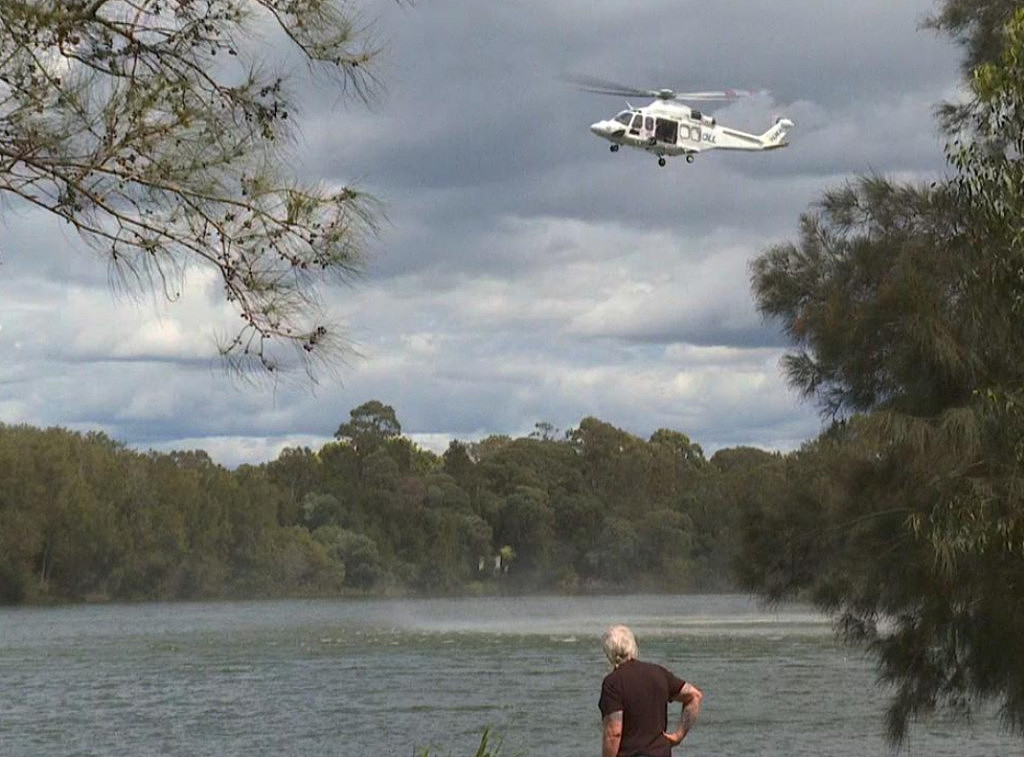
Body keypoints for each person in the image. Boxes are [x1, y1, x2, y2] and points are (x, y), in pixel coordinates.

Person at [598, 624, 703, 757]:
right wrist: (679, 735)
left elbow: (614, 732)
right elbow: (694, 696)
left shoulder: (613, 682)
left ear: (609, 653)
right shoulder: (658, 673)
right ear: (633, 647)